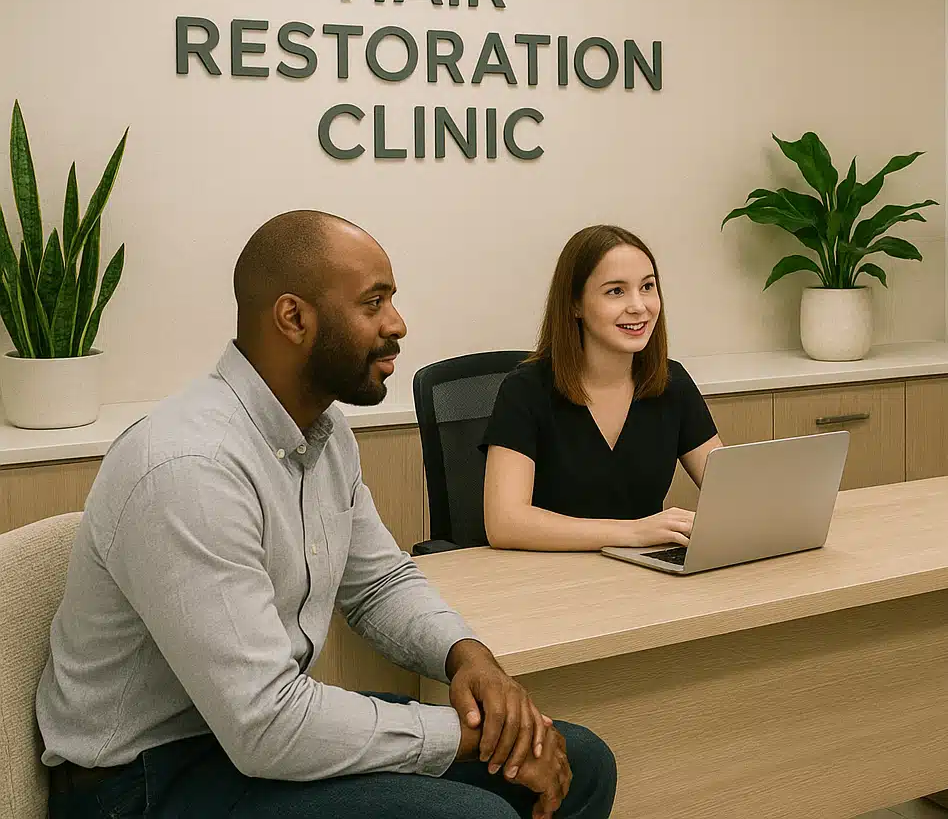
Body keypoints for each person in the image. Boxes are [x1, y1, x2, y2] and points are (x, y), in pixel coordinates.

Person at [36, 210, 618, 819]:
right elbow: (266, 722)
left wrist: (467, 656)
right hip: (143, 780)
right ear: (294, 318)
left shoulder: (322, 430)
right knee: (480, 815)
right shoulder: (188, 466)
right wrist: (467, 736)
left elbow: (378, 584)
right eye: (374, 303)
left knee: (580, 760)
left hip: (250, 738)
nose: (397, 324)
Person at [480, 225, 723, 551]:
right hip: (546, 580)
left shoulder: (671, 383)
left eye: (647, 287)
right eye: (616, 291)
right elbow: (505, 524)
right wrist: (633, 532)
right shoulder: (525, 391)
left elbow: (732, 493)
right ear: (574, 305)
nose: (639, 306)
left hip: (645, 577)